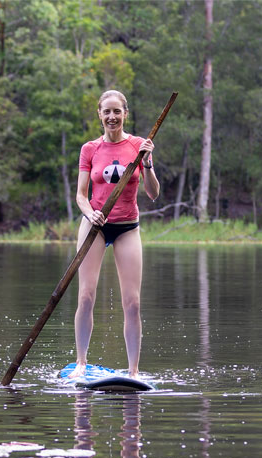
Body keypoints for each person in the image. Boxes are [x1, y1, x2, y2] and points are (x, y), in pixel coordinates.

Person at [70, 90, 160, 380]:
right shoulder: (89, 149)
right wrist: (89, 213)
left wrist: (147, 163)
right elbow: (81, 196)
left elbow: (153, 194)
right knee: (86, 296)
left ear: (125, 113)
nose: (112, 117)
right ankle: (81, 363)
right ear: (99, 114)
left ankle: (134, 371)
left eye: (117, 111)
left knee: (132, 302)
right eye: (106, 111)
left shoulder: (138, 145)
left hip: (127, 227)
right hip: (95, 225)